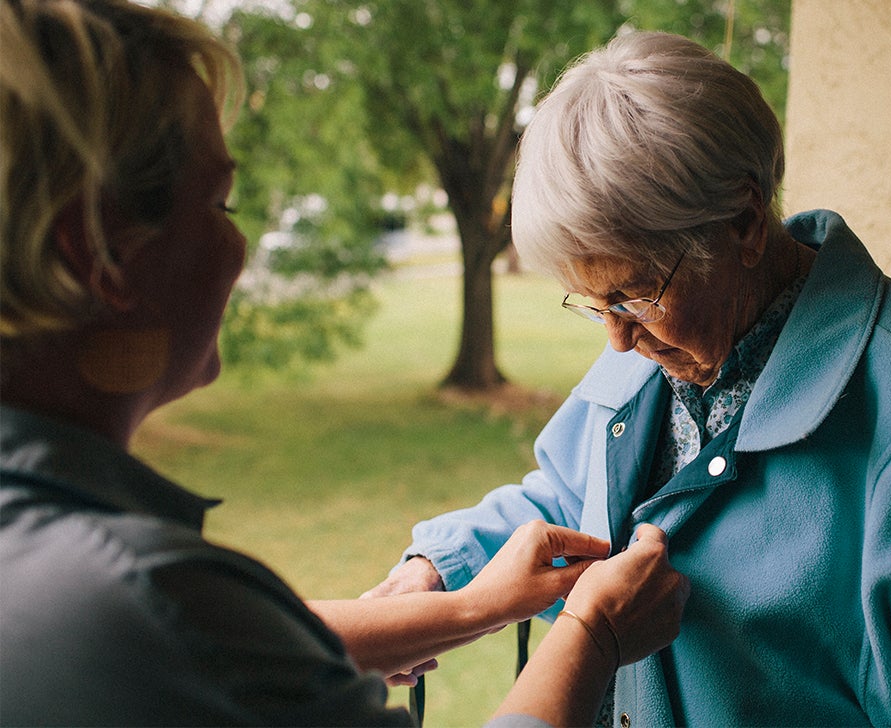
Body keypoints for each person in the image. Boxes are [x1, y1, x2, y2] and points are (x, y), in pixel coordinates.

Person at [368, 30, 891, 726]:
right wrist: (441, 568)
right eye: (591, 303)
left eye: (630, 296)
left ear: (745, 225)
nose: (617, 340)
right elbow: (569, 501)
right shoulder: (671, 331)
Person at [0, 2, 688, 725]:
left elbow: (217, 652)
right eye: (221, 204)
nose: (241, 251)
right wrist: (589, 636)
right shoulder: (137, 599)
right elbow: (185, 639)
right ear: (101, 255)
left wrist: (466, 604)